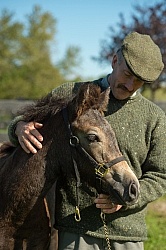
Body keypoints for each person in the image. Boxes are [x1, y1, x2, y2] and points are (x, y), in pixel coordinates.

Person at [8, 32, 166, 250]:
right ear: (114, 61)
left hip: (127, 234)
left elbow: (161, 175)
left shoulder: (154, 117)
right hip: (75, 232)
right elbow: (25, 119)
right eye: (127, 74)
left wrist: (128, 201)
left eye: (139, 81)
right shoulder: (70, 94)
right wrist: (18, 127)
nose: (130, 85)